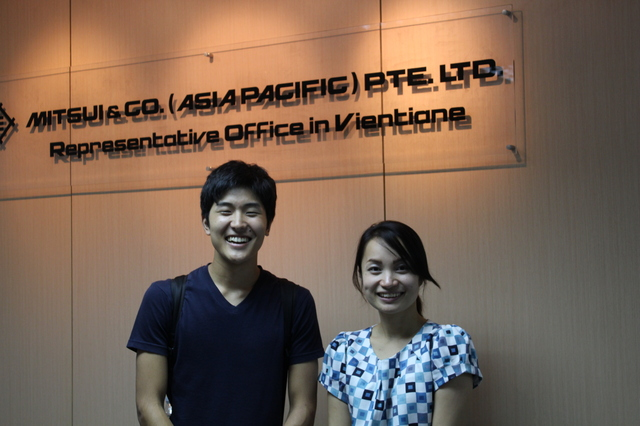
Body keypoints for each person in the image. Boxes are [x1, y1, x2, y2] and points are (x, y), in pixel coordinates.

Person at [127, 160, 324, 426]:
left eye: (251, 212)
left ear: (268, 224)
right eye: (226, 211)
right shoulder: (164, 298)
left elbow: (304, 407)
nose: (238, 223)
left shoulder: (296, 302)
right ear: (206, 222)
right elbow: (147, 404)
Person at [319, 221, 482, 426]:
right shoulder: (343, 350)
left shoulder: (448, 344)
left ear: (420, 276)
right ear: (361, 276)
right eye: (375, 269)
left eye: (402, 268)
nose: (388, 281)